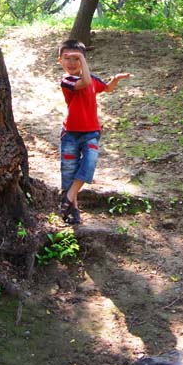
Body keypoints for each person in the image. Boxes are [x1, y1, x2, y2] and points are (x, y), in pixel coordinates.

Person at [57, 38, 132, 225]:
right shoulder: (67, 80)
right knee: (69, 171)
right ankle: (73, 210)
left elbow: (106, 88)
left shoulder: (92, 79)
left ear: (84, 60)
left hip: (91, 132)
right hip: (70, 134)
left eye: (77, 58)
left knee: (89, 164)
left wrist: (114, 80)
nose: (73, 63)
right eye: (68, 58)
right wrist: (82, 59)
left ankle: (67, 199)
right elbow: (85, 82)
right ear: (60, 61)